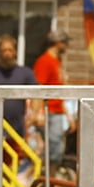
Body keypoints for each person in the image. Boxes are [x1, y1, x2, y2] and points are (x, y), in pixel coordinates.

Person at [0, 34, 39, 178]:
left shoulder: (25, 73)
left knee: (11, 164)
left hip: (16, 128)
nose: (7, 53)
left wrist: (34, 114)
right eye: (4, 50)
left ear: (15, 51)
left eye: (10, 50)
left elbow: (36, 95)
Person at [32, 30, 74, 167]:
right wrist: (37, 113)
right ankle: (32, 176)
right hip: (48, 111)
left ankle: (51, 182)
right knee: (52, 149)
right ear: (58, 43)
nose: (67, 46)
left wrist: (68, 115)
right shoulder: (45, 61)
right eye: (65, 43)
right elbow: (38, 89)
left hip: (56, 111)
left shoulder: (56, 62)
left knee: (54, 149)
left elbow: (59, 91)